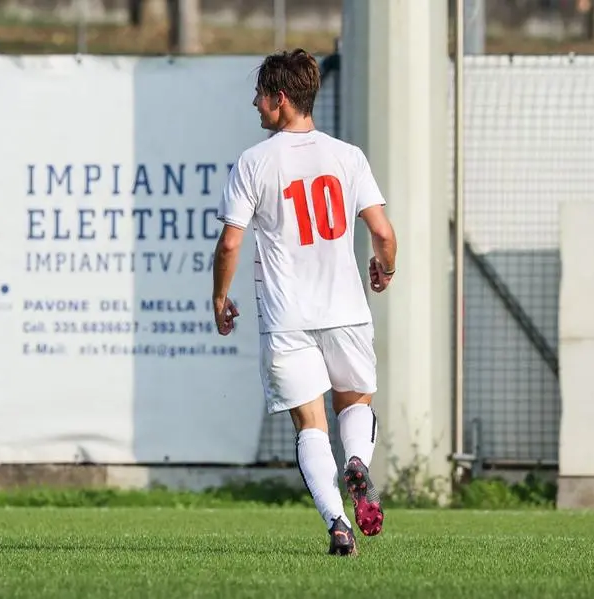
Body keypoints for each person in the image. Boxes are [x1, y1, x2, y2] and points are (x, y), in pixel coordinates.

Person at [211, 49, 397, 557]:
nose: (254, 104)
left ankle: (338, 523)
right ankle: (357, 461)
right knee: (355, 404)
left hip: (287, 316)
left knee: (310, 424)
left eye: (260, 96)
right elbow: (382, 232)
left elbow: (230, 243)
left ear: (282, 99)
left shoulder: (255, 161)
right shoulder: (348, 156)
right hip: (346, 310)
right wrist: (386, 266)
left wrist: (220, 296)